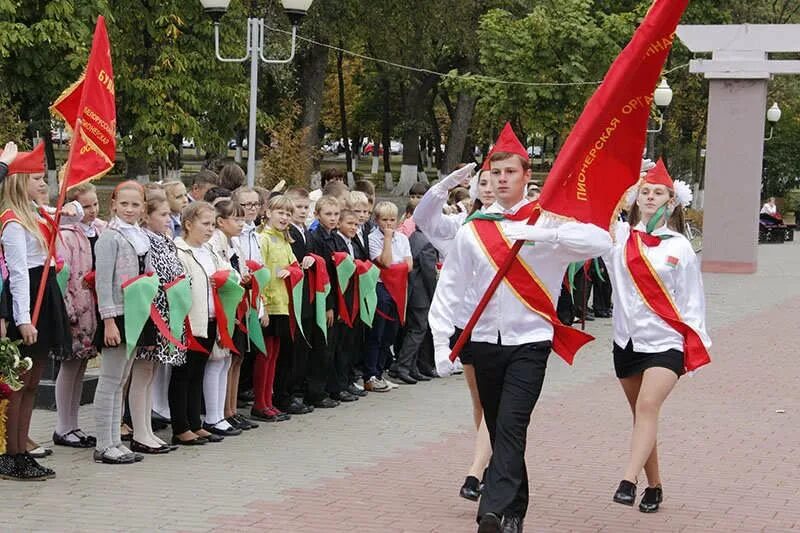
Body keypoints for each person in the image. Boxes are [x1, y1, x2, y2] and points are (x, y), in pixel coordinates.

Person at [431, 127, 611, 532]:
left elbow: (601, 240)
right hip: (482, 344)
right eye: (495, 173)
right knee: (497, 428)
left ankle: (491, 512)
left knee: (512, 424)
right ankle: (514, 510)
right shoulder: (475, 228)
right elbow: (451, 287)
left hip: (529, 342)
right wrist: (442, 343)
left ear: (526, 176)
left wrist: (546, 235)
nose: (502, 180)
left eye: (510, 172)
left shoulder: (546, 221)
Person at [605, 161, 711, 513]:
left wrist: (695, 346)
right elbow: (598, 211)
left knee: (648, 407)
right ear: (636, 199)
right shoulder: (619, 237)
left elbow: (692, 300)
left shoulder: (679, 246)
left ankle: (627, 480)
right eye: (645, 192)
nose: (650, 197)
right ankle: (655, 485)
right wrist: (625, 174)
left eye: (658, 193)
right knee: (641, 417)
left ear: (671, 202)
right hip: (627, 342)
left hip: (666, 343)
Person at [0, 170, 78, 480]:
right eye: (34, 178)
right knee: (18, 383)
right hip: (29, 297)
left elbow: (76, 214)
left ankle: (23, 450)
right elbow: (17, 275)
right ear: (18, 182)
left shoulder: (34, 212)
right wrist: (22, 320)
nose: (42, 183)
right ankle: (10, 453)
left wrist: (71, 207)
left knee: (33, 383)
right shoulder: (13, 221)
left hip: (46, 294)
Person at [93, 181, 154, 465]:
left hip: (135, 311)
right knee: (109, 379)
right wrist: (108, 321)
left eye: (136, 204)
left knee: (122, 379)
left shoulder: (140, 234)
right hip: (116, 313)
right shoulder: (110, 237)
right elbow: (103, 283)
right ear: (114, 204)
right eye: (124, 204)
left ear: (143, 208)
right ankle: (103, 443)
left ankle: (116, 440)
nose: (130, 209)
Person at [127, 191, 184, 455]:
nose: (168, 219)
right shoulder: (146, 241)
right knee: (141, 373)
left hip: (167, 310)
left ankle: (147, 429)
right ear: (147, 217)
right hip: (151, 311)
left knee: (150, 373)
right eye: (162, 214)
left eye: (169, 214)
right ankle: (139, 432)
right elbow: (154, 274)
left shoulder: (163, 239)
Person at [52, 183, 105, 449]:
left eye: (95, 204)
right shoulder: (67, 235)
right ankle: (63, 426)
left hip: (95, 307)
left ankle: (74, 425)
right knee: (69, 365)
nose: (92, 210)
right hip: (77, 308)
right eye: (85, 206)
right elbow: (64, 275)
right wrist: (69, 309)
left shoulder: (100, 229)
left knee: (82, 366)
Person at [173, 202, 226, 445]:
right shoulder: (179, 250)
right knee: (183, 374)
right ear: (188, 224)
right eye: (205, 224)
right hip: (190, 320)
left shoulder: (210, 251)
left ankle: (196, 422)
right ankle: (180, 426)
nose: (210, 229)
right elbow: (180, 286)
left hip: (211, 317)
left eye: (213, 225)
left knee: (198, 372)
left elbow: (225, 272)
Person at [204, 199, 247, 437]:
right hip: (219, 307)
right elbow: (221, 273)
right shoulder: (214, 243)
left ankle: (224, 412)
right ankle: (214, 416)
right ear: (221, 222)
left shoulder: (232, 243)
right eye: (236, 219)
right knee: (217, 359)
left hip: (232, 306)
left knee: (226, 360)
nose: (241, 224)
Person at [253, 195, 297, 422]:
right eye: (280, 212)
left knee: (274, 356)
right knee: (265, 355)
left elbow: (294, 266)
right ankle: (259, 403)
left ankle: (268, 401)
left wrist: (294, 270)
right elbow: (260, 274)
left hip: (283, 304)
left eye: (288, 213)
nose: (285, 217)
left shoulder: (283, 240)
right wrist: (264, 305)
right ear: (268, 212)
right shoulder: (263, 239)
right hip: (269, 305)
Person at [364, 201, 412, 392]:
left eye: (392, 220)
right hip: (380, 287)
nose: (388, 224)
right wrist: (387, 240)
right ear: (376, 221)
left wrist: (395, 268)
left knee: (389, 335)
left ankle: (381, 372)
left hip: (399, 289)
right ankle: (370, 374)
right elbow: (385, 262)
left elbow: (408, 265)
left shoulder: (402, 238)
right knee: (377, 333)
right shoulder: (373, 238)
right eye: (384, 220)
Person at [389, 210, 438, 384]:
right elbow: (429, 273)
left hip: (411, 292)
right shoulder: (427, 243)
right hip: (420, 294)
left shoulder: (415, 238)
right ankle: (403, 366)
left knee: (413, 329)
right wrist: (434, 295)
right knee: (418, 330)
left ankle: (412, 367)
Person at [307, 196, 345, 407]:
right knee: (322, 349)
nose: (332, 218)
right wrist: (329, 306)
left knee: (331, 348)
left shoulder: (335, 237)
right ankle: (315, 392)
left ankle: (330, 388)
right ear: (318, 215)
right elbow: (323, 277)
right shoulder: (317, 239)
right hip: (323, 299)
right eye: (328, 214)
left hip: (336, 298)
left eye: (336, 214)